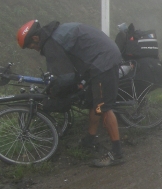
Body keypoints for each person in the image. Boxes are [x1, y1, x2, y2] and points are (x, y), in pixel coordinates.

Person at [17, 19, 125, 167]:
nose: (34, 49)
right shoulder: (55, 34)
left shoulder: (50, 43)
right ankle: (89, 140)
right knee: (94, 103)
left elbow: (66, 77)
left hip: (102, 62)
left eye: (31, 46)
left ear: (36, 38)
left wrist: (53, 92)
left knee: (103, 107)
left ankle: (117, 154)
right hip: (100, 58)